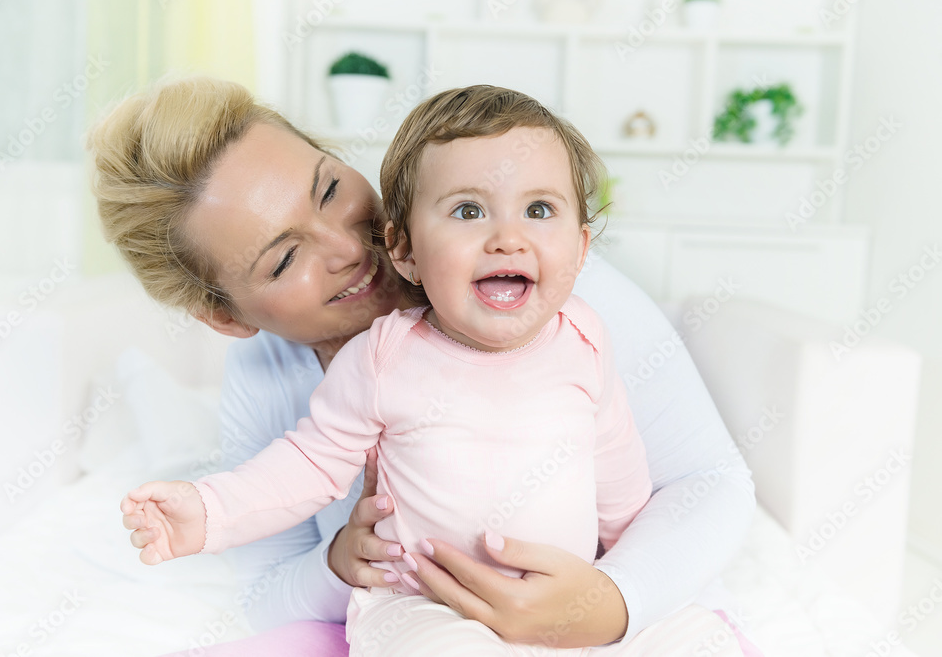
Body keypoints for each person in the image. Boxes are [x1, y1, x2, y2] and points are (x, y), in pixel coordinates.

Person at [91, 77, 758, 655]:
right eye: (284, 258)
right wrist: (341, 564)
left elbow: (707, 479)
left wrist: (615, 597)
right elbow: (268, 583)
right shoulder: (271, 378)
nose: (346, 245)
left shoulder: (544, 293)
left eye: (327, 188)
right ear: (228, 317)